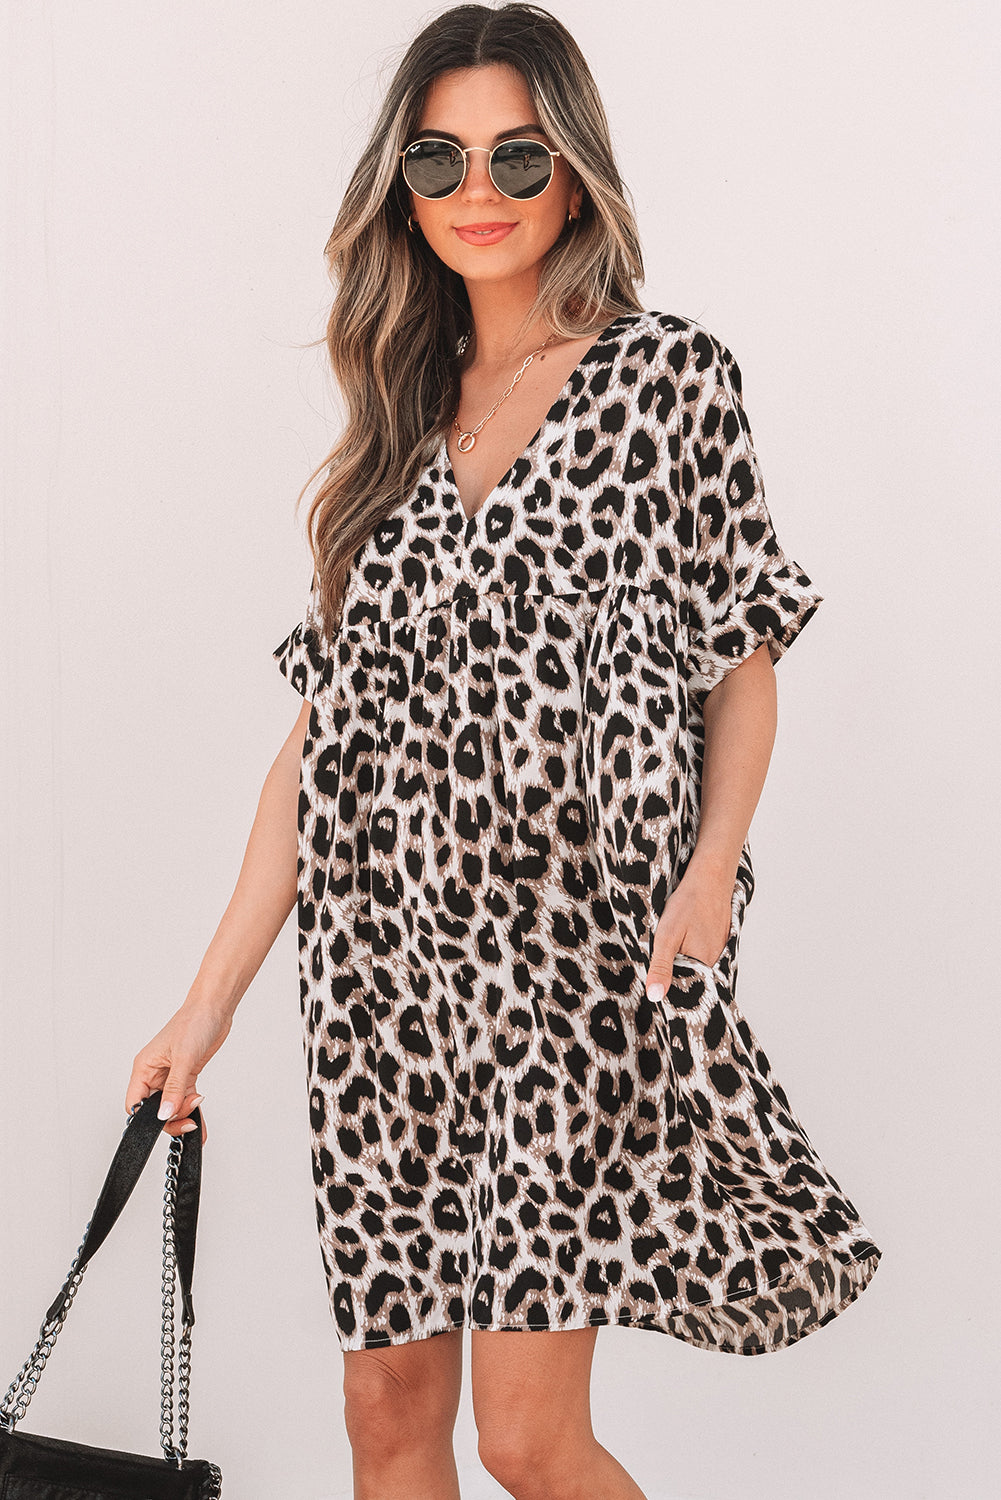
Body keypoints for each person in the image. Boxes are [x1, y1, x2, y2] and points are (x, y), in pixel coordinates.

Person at [125, 5, 882, 1497]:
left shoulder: (668, 382)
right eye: (440, 159)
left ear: (577, 172)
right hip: (377, 981)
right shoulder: (394, 429)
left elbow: (739, 660)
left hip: (566, 970)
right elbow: (316, 754)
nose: (479, 190)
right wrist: (204, 1008)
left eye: (518, 156)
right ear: (400, 188)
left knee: (527, 1439)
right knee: (386, 1418)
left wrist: (710, 872)